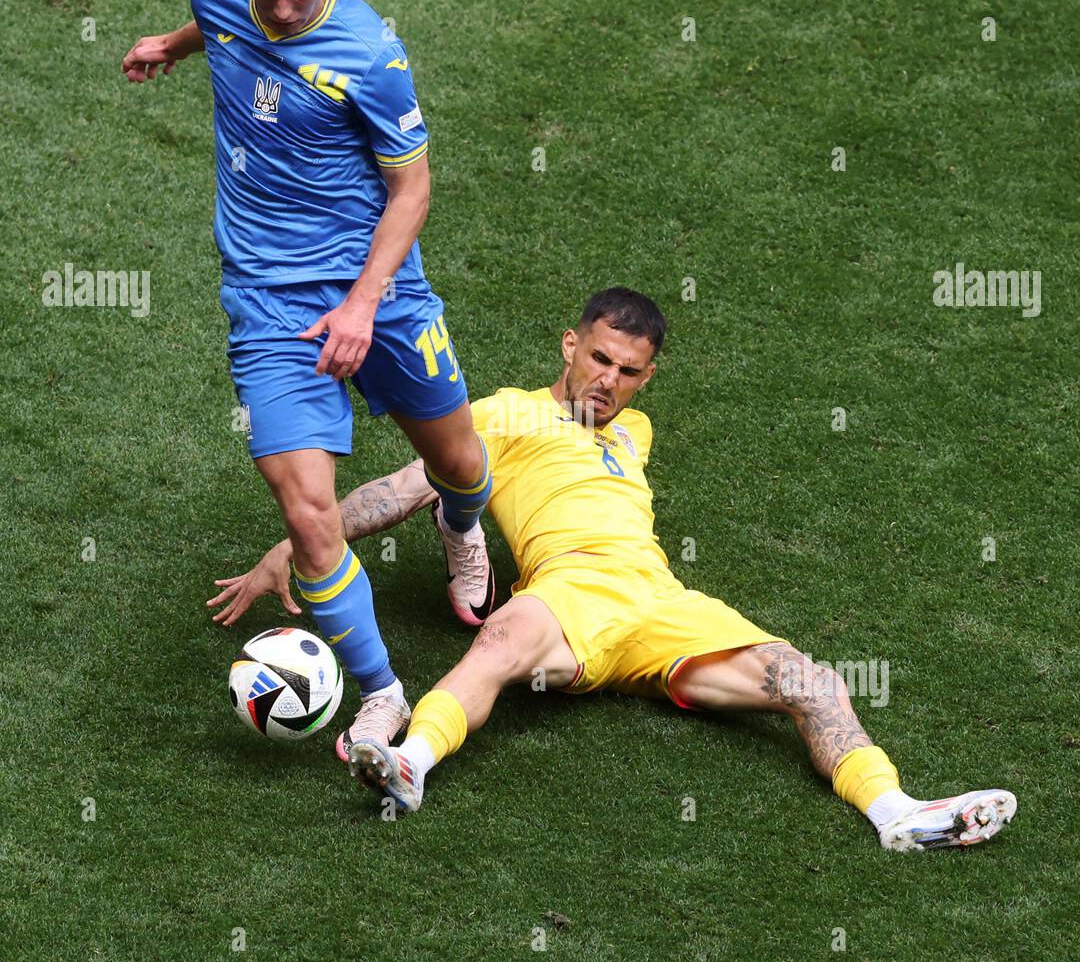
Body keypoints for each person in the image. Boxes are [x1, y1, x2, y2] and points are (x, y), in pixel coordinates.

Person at [209, 287, 1017, 851]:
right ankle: (409, 769)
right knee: (499, 644)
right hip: (563, 596)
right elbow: (407, 487)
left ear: (648, 376)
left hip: (662, 605)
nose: (608, 380)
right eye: (598, 358)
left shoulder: (637, 434)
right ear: (570, 343)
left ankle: (897, 816)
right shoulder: (504, 414)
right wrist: (293, 545)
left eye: (629, 371)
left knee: (810, 681)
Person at [123, 0, 494, 758]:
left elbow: (412, 189)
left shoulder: (371, 54)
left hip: (381, 291)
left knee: (459, 461)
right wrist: (171, 49)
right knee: (307, 510)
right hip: (267, 302)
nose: (281, 11)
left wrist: (363, 305)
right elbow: (216, 26)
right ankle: (383, 690)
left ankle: (462, 526)